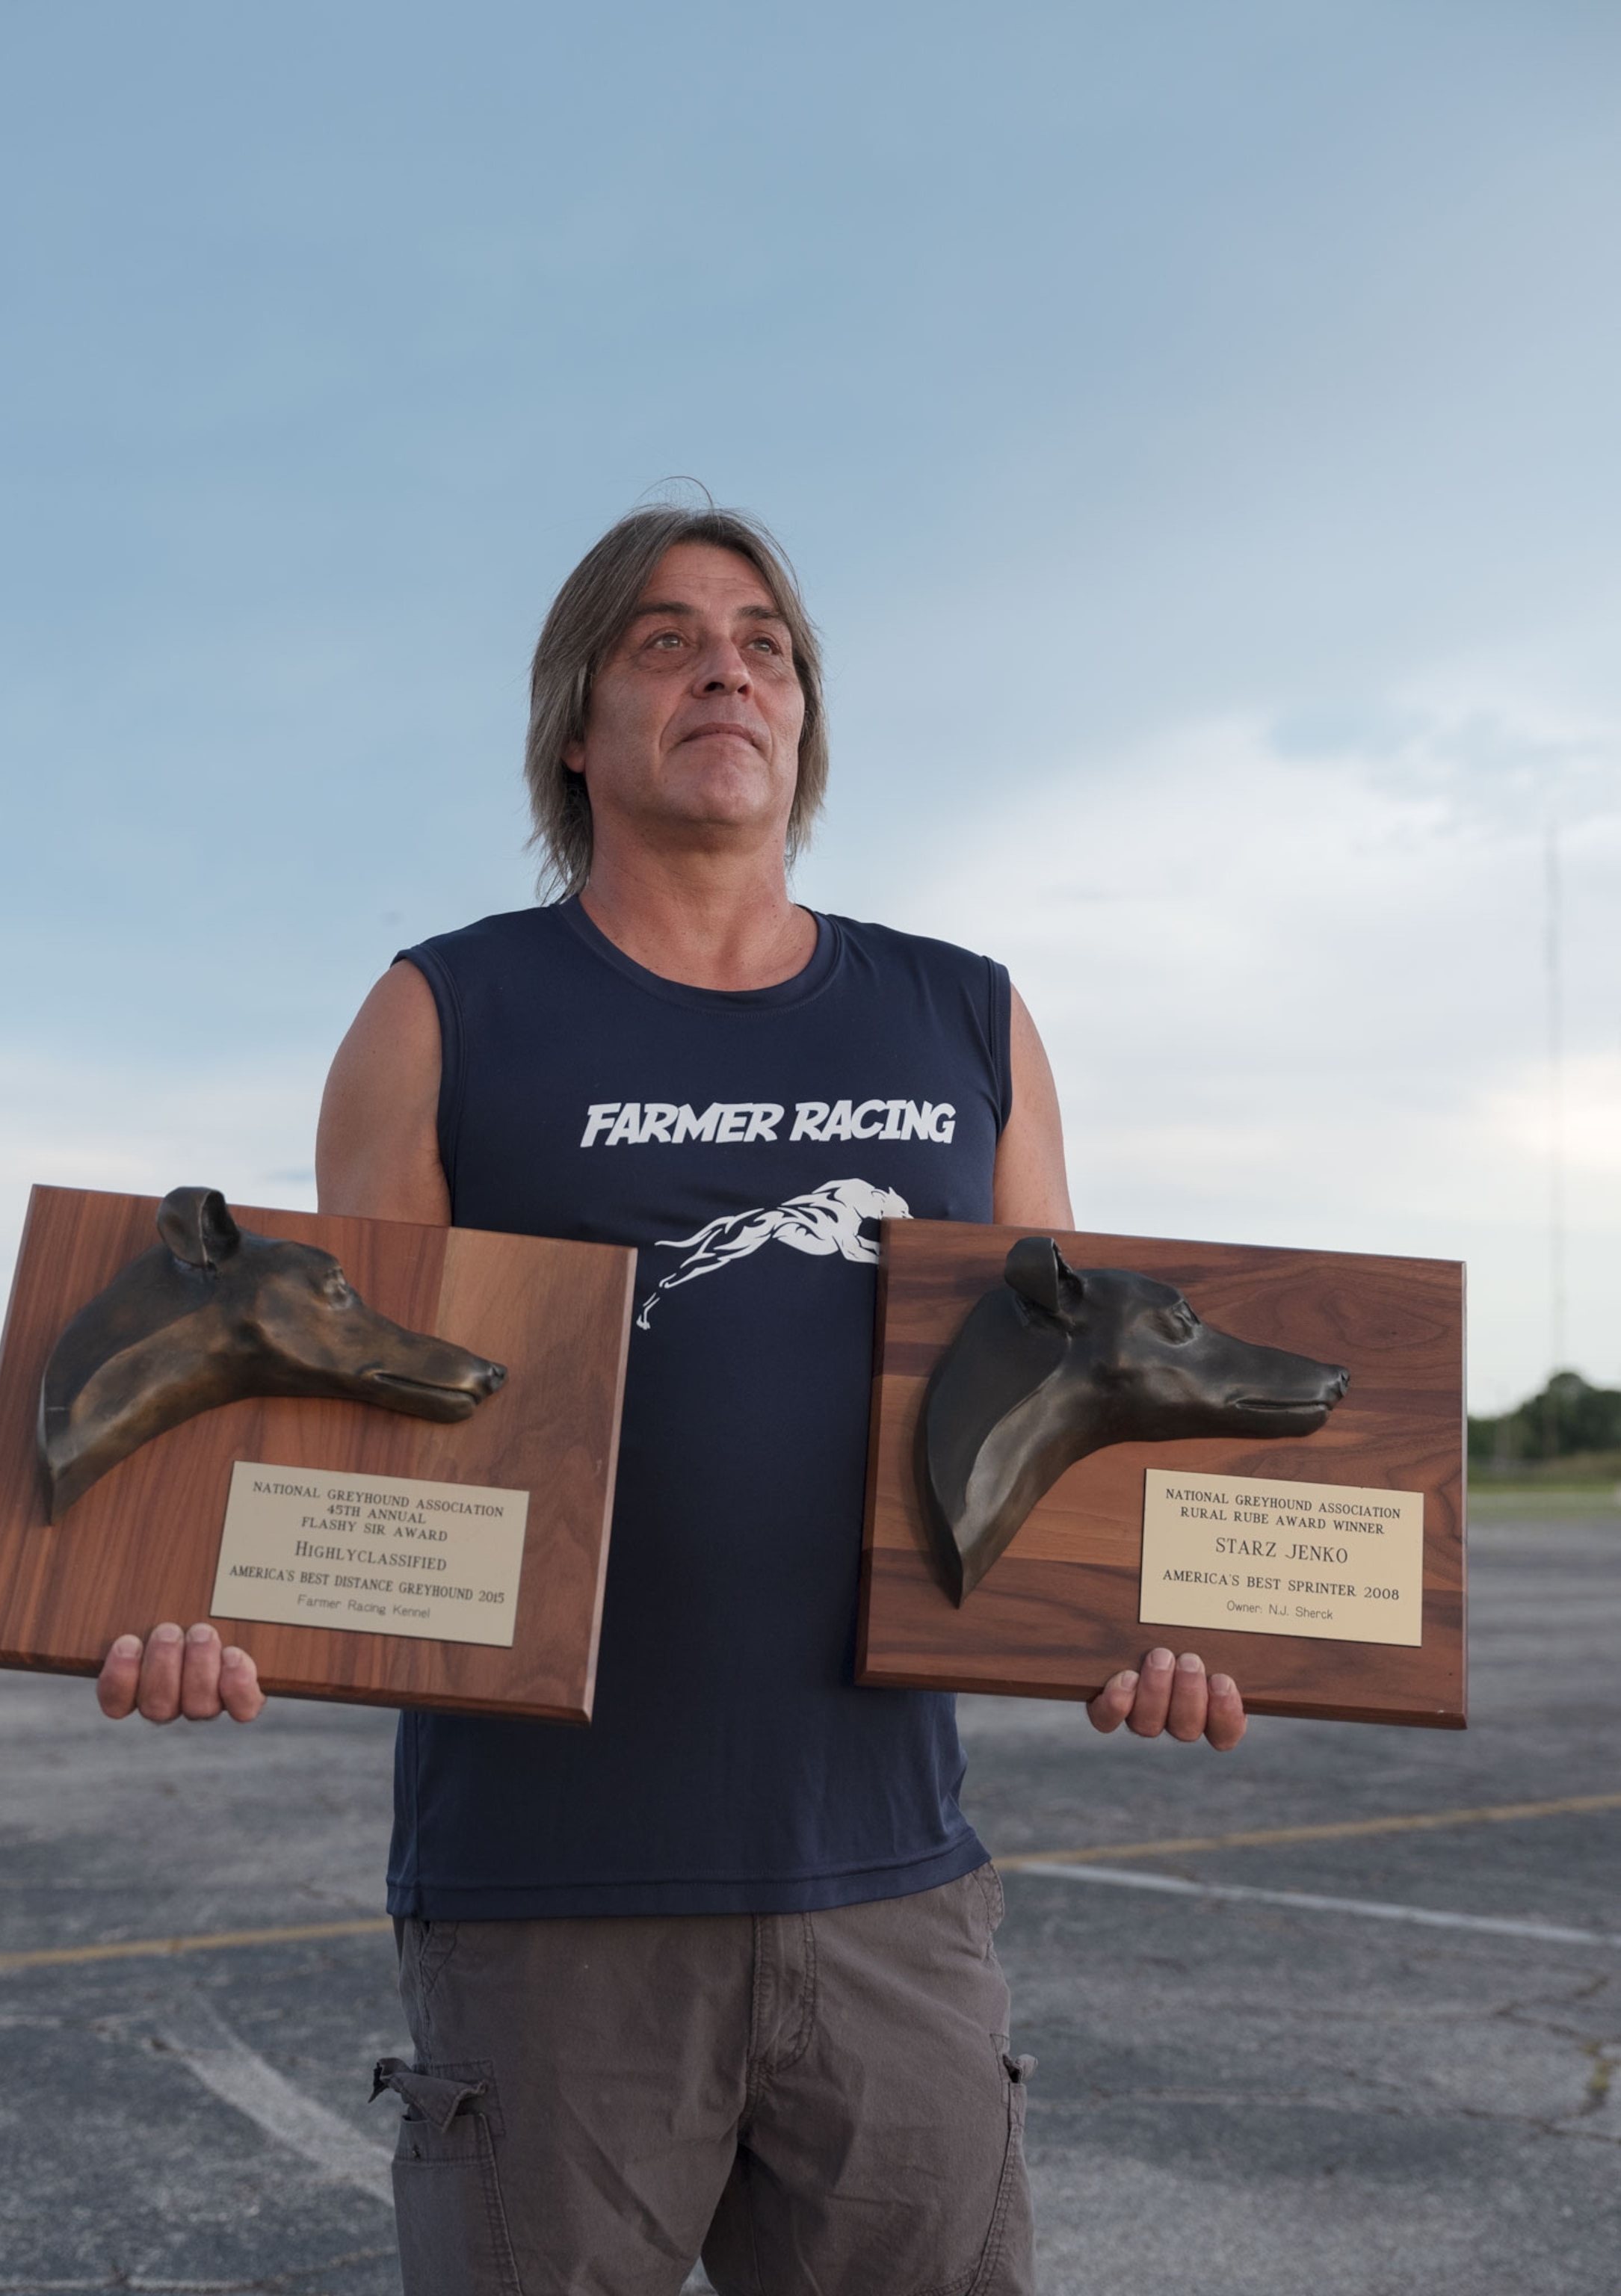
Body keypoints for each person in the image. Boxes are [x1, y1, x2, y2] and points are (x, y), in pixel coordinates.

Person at [97, 504, 1247, 2296]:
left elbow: (1080, 1401)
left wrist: (1153, 1616)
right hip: (549, 1910)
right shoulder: (441, 1011)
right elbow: (327, 1401)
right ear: (576, 723)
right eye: (663, 638)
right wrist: (180, 1597)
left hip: (891, 1893)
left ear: (798, 720)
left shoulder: (965, 1020)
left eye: (764, 642)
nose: (726, 663)